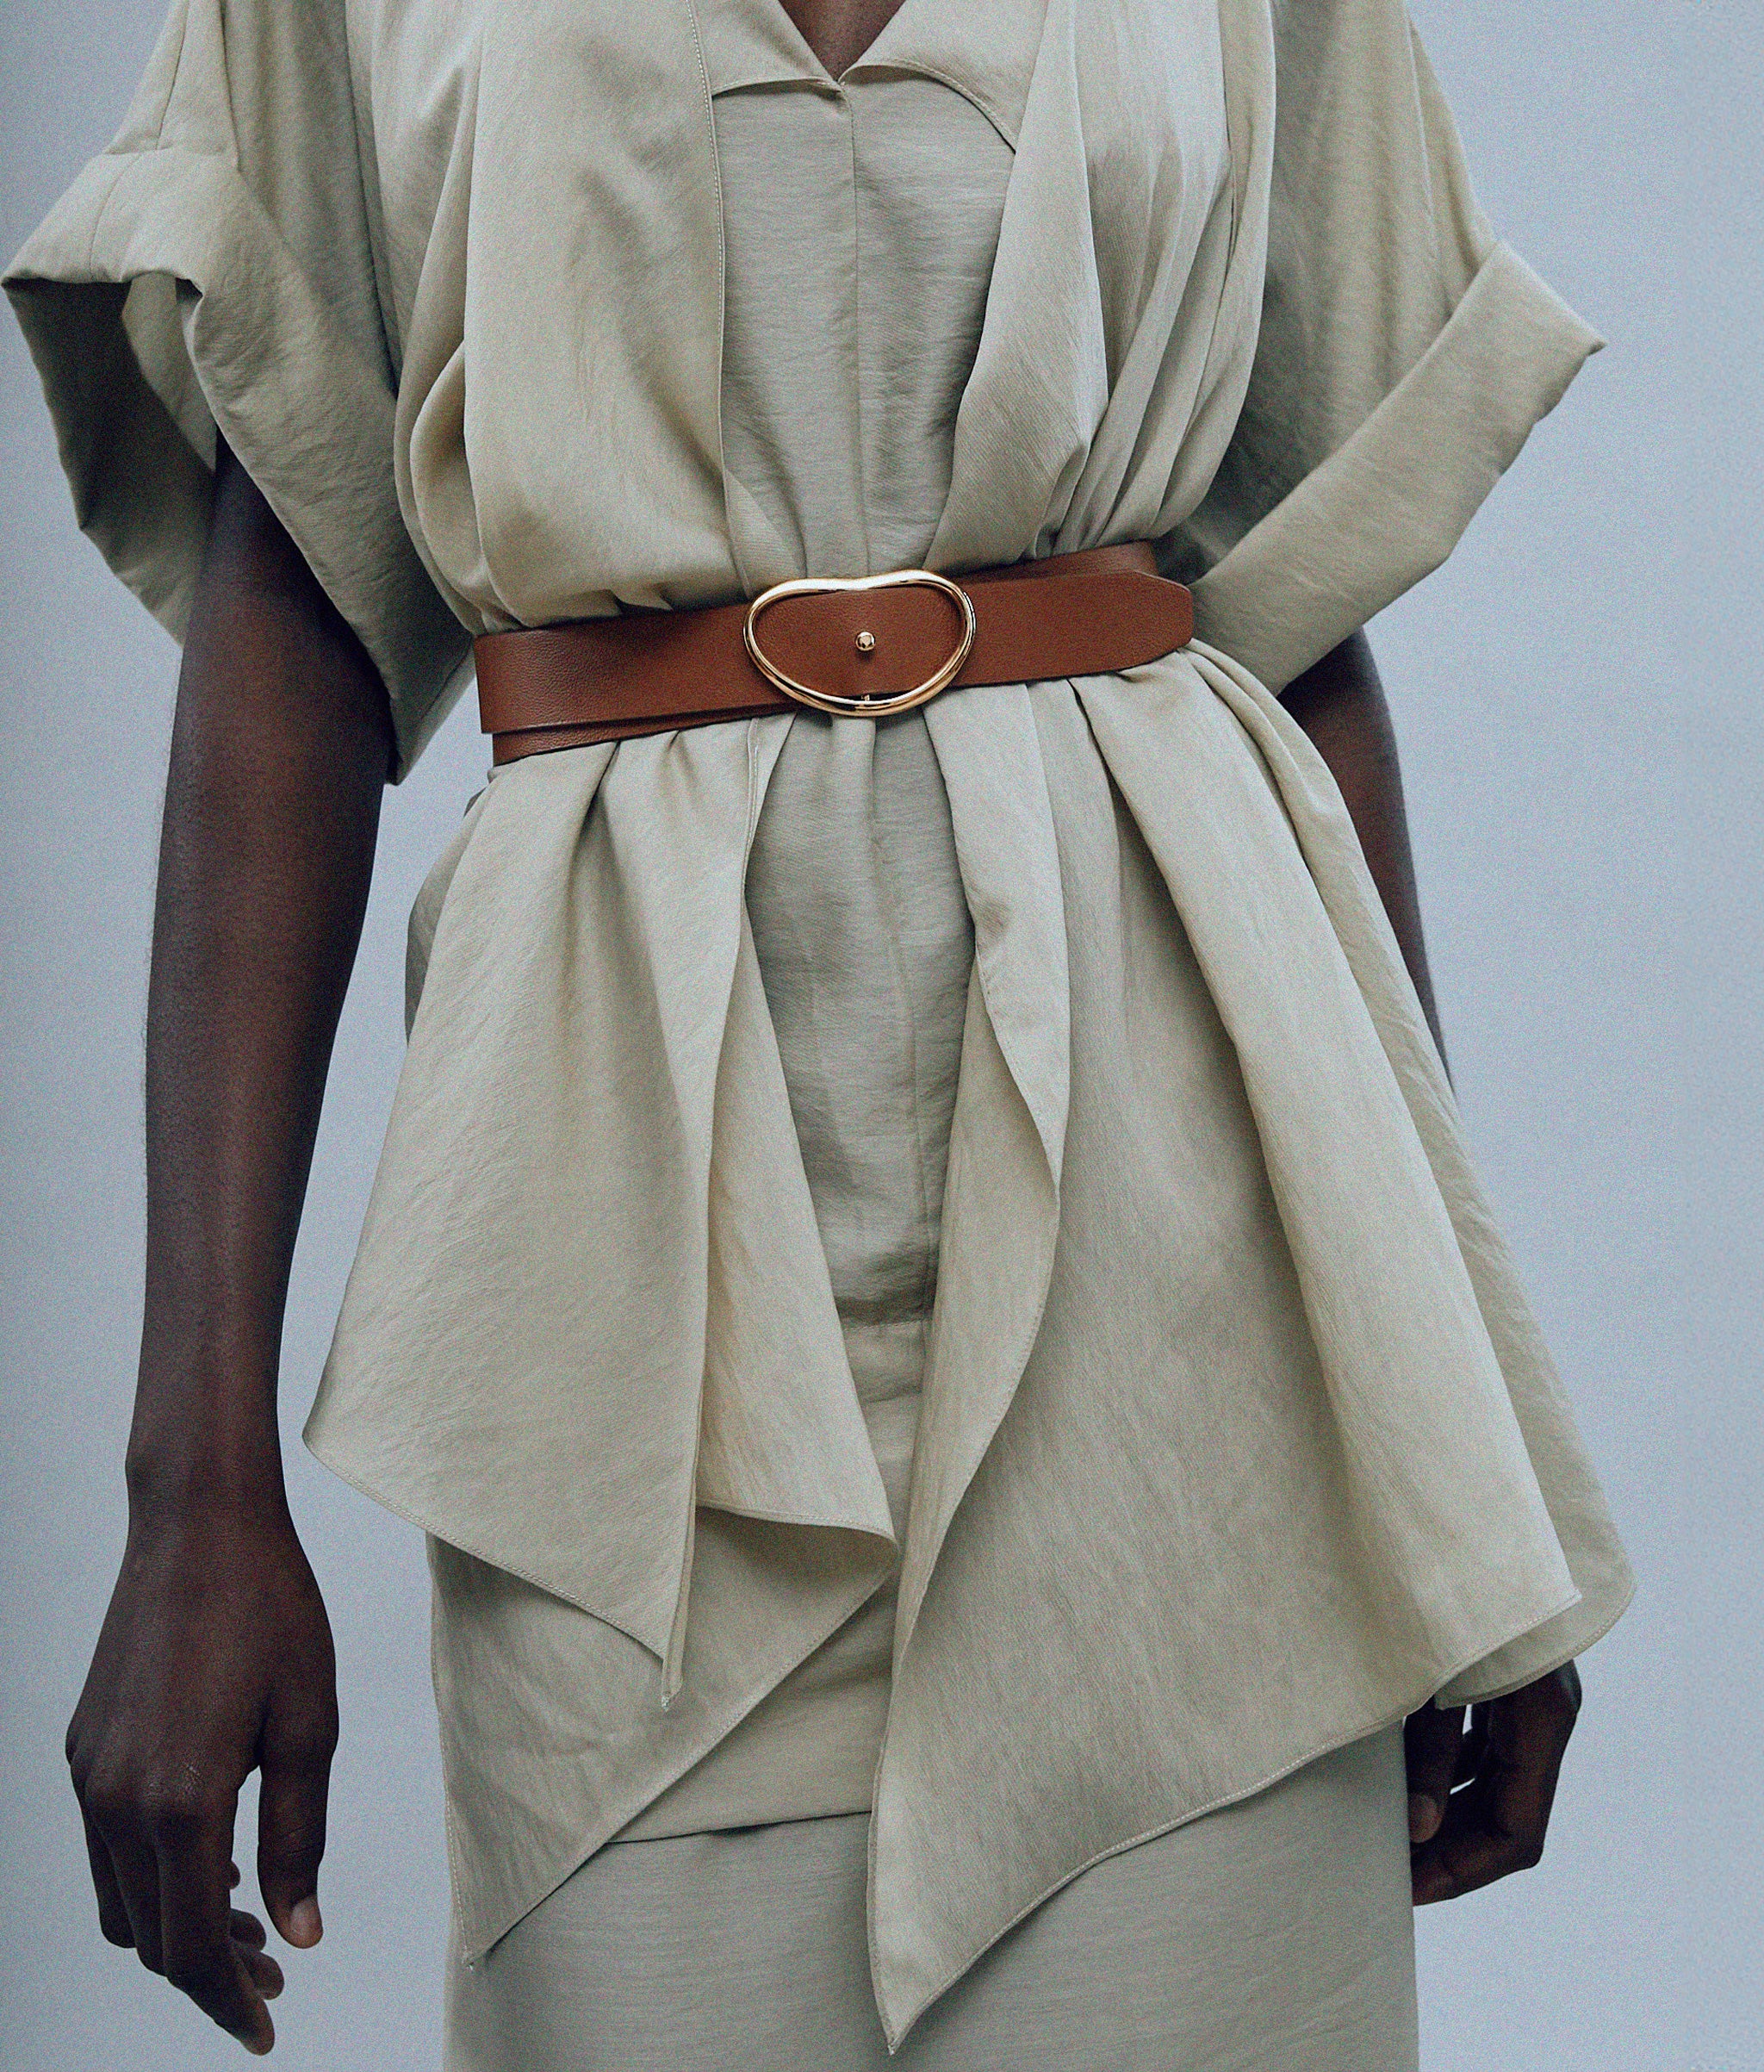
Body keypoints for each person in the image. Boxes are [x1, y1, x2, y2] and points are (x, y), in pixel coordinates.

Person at [6, 0, 1635, 2062]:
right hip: (634, 1321)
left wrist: (1449, 1434)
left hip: (1197, 1316)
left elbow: (1296, 601)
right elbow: (292, 596)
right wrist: (191, 1485)